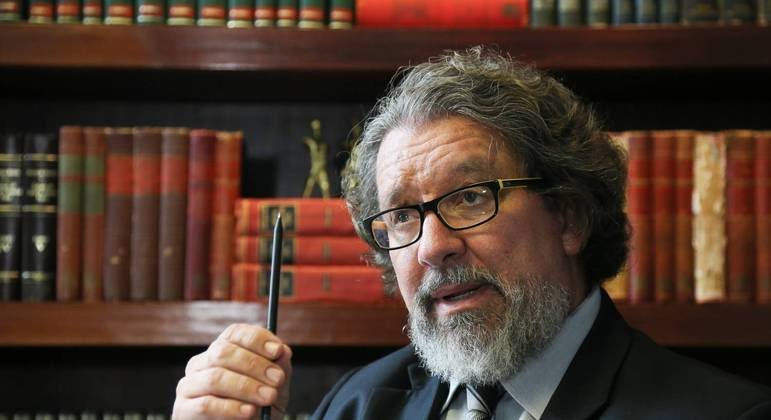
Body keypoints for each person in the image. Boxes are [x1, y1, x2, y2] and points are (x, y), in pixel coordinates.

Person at [172, 47, 771, 419]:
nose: (433, 247)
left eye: (470, 197)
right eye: (402, 215)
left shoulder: (726, 414)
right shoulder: (356, 406)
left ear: (568, 216)